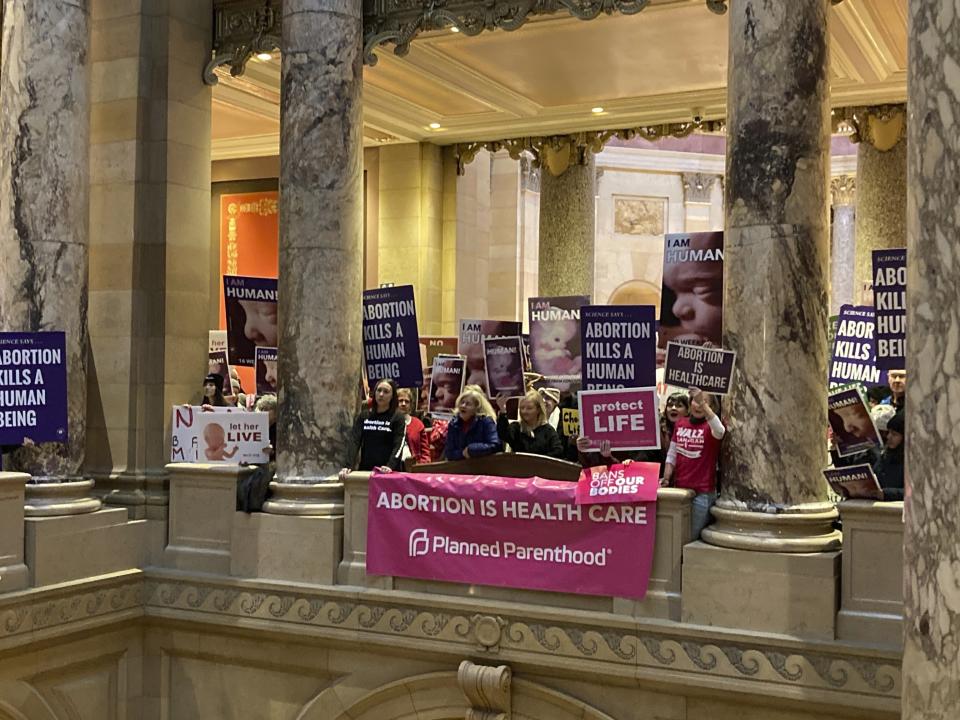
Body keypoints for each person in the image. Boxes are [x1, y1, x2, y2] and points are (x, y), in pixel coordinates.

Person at [663, 387, 725, 539]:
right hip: (680, 491)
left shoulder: (710, 427)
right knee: (677, 539)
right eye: (695, 402)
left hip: (702, 494)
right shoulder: (681, 424)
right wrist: (666, 477)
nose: (698, 406)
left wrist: (702, 403)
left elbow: (721, 431)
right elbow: (672, 454)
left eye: (703, 403)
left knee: (690, 538)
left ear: (712, 407)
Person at [339, 379, 405, 480]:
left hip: (389, 473)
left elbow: (399, 445)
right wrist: (348, 466)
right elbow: (354, 441)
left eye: (386, 391)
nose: (381, 394)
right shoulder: (365, 415)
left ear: (392, 396)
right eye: (379, 390)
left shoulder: (398, 417)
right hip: (366, 471)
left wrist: (390, 466)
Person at [494, 390, 563, 458]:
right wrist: (502, 410)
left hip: (541, 468)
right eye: (522, 408)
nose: (524, 411)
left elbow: (558, 451)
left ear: (538, 409)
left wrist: (539, 461)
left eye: (529, 408)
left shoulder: (548, 430)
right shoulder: (516, 427)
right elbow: (503, 434)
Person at [443, 387, 502, 460]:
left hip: (484, 466)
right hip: (459, 467)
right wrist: (462, 453)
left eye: (468, 404)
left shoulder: (486, 422)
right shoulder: (453, 424)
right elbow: (449, 452)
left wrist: (471, 450)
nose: (463, 406)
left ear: (477, 408)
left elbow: (495, 445)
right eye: (462, 402)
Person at [873, 409, 904, 501]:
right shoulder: (885, 455)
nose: (888, 437)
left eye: (894, 434)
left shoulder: (914, 462)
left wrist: (887, 494)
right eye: (889, 432)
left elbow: (916, 491)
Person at [396, 388, 431, 465]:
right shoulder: (389, 422)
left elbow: (425, 452)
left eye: (407, 401)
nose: (403, 404)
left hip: (414, 466)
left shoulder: (418, 424)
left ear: (411, 404)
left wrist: (421, 466)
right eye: (400, 401)